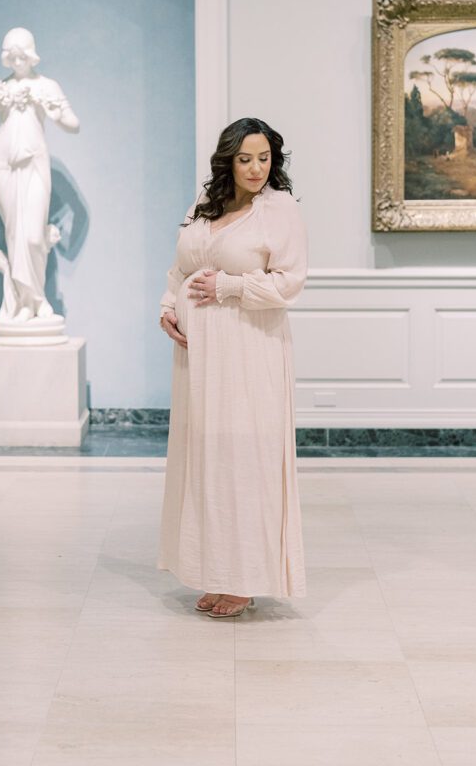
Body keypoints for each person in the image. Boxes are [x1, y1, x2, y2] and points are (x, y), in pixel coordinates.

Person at [157, 117, 308, 618]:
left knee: (244, 457)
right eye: (246, 159)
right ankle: (217, 569)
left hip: (249, 350)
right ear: (228, 160)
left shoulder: (279, 209)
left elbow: (289, 283)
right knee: (207, 457)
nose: (256, 168)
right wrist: (168, 306)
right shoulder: (204, 206)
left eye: (264, 158)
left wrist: (231, 287)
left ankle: (244, 578)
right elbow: (179, 268)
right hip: (199, 355)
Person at [0, 28, 79, 327]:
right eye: (11, 56)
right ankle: (23, 303)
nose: (17, 61)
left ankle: (38, 299)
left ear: (31, 54)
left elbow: (73, 124)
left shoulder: (46, 86)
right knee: (14, 234)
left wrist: (55, 111)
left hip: (33, 161)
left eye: (22, 55)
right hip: (3, 162)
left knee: (32, 235)